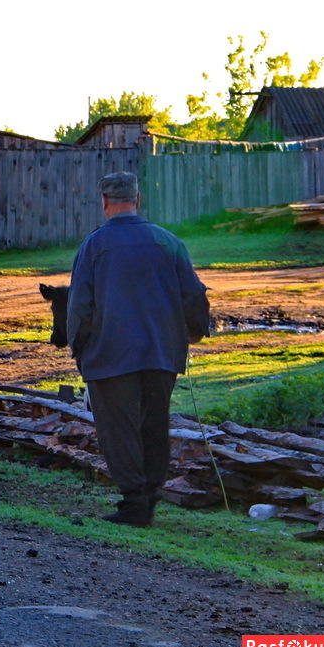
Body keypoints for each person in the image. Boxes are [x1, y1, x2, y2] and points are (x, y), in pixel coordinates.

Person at [67, 171, 210, 527]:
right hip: (162, 353)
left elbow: (80, 304)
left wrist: (79, 348)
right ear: (138, 199)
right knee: (153, 425)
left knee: (119, 429)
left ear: (104, 203)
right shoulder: (168, 241)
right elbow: (194, 294)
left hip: (110, 354)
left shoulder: (95, 245)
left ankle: (134, 502)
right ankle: (149, 497)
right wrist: (194, 332)